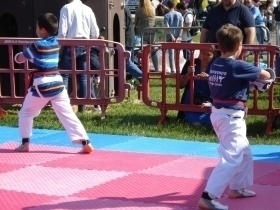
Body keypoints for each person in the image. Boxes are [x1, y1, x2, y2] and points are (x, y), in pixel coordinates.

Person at [198, 24, 271, 210]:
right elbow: (264, 74)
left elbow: (231, 82)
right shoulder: (238, 65)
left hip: (220, 113)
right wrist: (269, 75)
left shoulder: (216, 63)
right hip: (230, 117)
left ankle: (237, 188)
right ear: (240, 45)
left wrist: (250, 83)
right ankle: (208, 197)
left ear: (218, 45)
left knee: (244, 151)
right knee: (232, 157)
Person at [13, 13, 93, 154]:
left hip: (42, 84)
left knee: (25, 113)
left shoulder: (36, 45)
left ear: (43, 30)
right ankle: (85, 142)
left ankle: (25, 143)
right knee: (67, 113)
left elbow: (20, 59)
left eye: (37, 27)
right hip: (58, 83)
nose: (36, 30)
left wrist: (16, 56)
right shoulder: (56, 43)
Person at [58, 0, 100, 113]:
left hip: (69, 45)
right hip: (85, 45)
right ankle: (83, 106)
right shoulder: (88, 9)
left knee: (65, 75)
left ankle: (63, 105)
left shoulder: (66, 8)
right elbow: (95, 33)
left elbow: (62, 32)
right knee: (84, 76)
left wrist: (59, 44)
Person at [177, 51, 214, 126]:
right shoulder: (191, 63)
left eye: (208, 54)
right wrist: (188, 74)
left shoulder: (217, 66)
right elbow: (180, 85)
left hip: (210, 103)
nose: (205, 56)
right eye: (203, 53)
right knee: (196, 123)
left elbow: (218, 90)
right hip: (191, 102)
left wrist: (209, 79)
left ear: (214, 55)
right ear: (200, 54)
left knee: (210, 121)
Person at [135, 0, 159, 72]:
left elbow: (135, 22)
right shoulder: (152, 9)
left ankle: (145, 68)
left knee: (144, 51)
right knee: (154, 51)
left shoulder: (139, 10)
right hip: (152, 33)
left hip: (143, 32)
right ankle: (156, 68)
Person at [164, 0, 183, 73]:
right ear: (174, 6)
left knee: (171, 54)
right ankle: (178, 69)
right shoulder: (180, 14)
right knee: (177, 54)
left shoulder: (166, 16)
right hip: (178, 35)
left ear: (168, 6)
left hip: (170, 36)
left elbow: (167, 27)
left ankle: (172, 70)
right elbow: (181, 26)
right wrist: (179, 36)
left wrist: (171, 36)